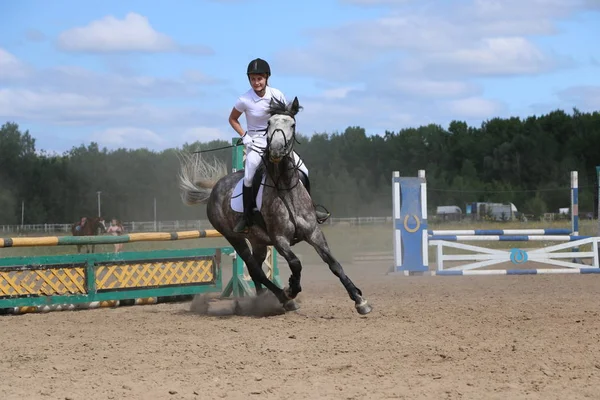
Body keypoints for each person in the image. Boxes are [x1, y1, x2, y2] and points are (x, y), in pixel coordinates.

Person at [228, 58, 330, 233]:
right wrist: (244, 136)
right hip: (256, 142)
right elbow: (232, 119)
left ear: (266, 78)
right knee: (250, 174)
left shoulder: (277, 94)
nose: (256, 82)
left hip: (277, 141)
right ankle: (246, 216)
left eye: (259, 78)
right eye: (253, 79)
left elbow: (286, 118)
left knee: (304, 170)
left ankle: (310, 209)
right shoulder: (244, 100)